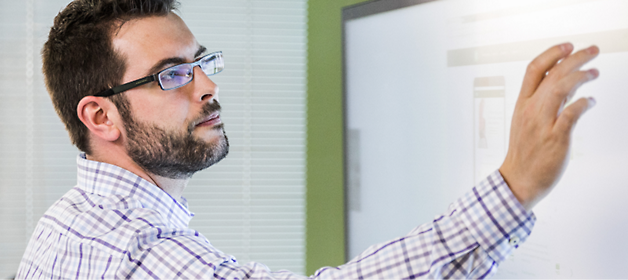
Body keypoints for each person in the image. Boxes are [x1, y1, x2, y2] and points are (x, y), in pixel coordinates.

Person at [16, 0, 600, 279]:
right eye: (173, 73)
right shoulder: (140, 256)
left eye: (201, 62)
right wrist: (515, 187)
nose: (207, 85)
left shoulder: (70, 220)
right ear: (99, 117)